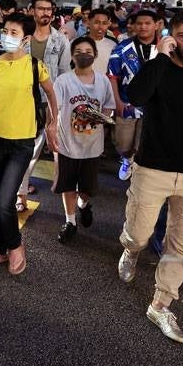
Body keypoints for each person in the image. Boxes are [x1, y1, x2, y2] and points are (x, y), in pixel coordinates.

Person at [117, 10, 183, 344]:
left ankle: (161, 304)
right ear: (171, 37)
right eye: (182, 35)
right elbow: (134, 96)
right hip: (152, 168)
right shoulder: (159, 68)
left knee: (182, 244)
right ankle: (131, 250)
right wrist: (160, 58)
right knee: (139, 234)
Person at [0, 13, 58, 275]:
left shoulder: (34, 66)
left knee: (4, 202)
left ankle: (15, 245)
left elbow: (50, 93)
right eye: (5, 31)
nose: (7, 36)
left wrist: (53, 122)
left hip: (21, 143)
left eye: (14, 33)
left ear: (26, 39)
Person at [53, 37, 116, 243]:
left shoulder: (103, 81)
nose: (83, 55)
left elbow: (109, 106)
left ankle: (83, 204)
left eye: (88, 51)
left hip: (92, 146)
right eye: (78, 51)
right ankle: (70, 221)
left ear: (95, 55)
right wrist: (51, 132)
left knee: (87, 189)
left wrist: (101, 118)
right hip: (67, 144)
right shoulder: (63, 81)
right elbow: (55, 109)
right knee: (68, 184)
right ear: (72, 56)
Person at [16, 0, 70, 212]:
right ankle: (21, 195)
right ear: (32, 10)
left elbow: (64, 75)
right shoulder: (22, 38)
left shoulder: (60, 40)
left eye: (49, 9)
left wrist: (58, 110)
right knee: (25, 152)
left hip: (48, 103)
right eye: (41, 8)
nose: (45, 13)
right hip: (23, 102)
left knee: (39, 150)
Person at [108, 9, 160, 181]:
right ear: (134, 25)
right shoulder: (122, 48)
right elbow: (112, 76)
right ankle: (126, 158)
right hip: (127, 103)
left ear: (156, 25)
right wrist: (117, 102)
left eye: (148, 23)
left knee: (143, 142)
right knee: (123, 143)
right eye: (139, 23)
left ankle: (137, 166)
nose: (143, 27)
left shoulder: (166, 49)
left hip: (154, 106)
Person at [87, 8, 117, 75]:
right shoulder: (77, 43)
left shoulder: (113, 45)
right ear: (88, 23)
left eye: (104, 23)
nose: (100, 26)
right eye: (96, 22)